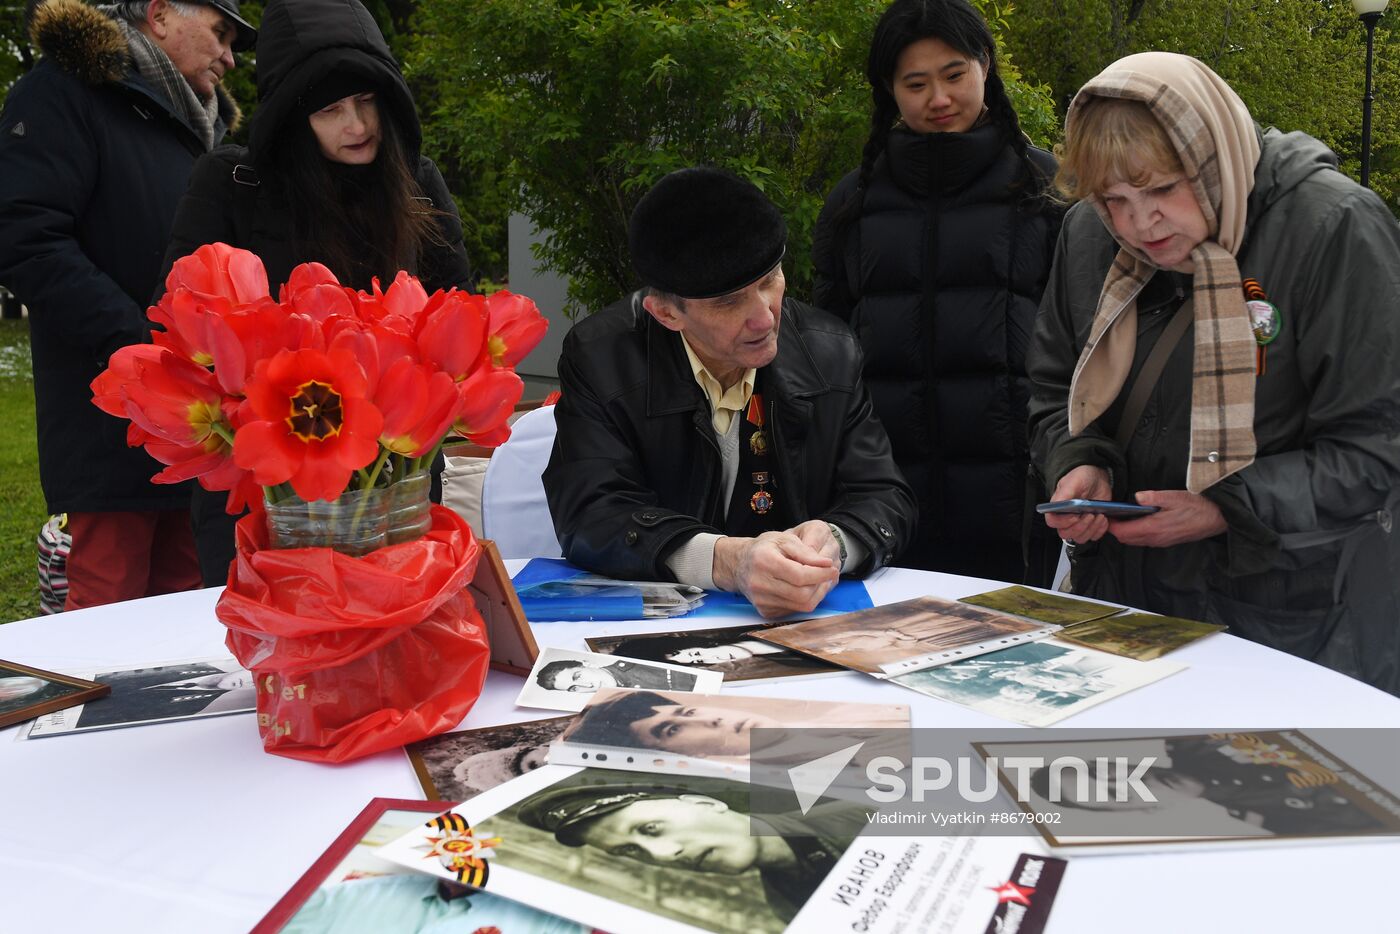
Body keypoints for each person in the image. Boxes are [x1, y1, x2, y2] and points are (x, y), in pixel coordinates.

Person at [1027, 52, 1400, 694]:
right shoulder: (1089, 234)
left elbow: (1378, 448)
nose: (1138, 225)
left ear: (1214, 159)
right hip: (1125, 607)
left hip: (1292, 620)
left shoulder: (1334, 229)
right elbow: (1053, 387)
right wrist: (1077, 462)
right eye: (1112, 198)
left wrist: (1226, 507)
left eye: (1163, 190)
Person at [156, 0, 475, 585]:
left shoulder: (415, 180)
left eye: (367, 100)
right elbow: (182, 326)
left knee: (391, 634)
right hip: (269, 479)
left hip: (392, 470)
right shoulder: (232, 186)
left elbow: (459, 312)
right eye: (330, 110)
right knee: (273, 650)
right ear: (291, 118)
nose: (356, 125)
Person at [544, 166, 916, 619]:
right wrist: (727, 560)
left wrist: (834, 544)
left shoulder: (831, 351)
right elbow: (589, 511)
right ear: (665, 313)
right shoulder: (601, 358)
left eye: (769, 281)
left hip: (806, 623)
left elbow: (884, 496)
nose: (764, 318)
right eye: (728, 302)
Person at [0, 0, 255, 609]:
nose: (228, 58)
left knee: (188, 620)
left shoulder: (201, 129)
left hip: (199, 426)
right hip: (108, 423)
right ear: (162, 13)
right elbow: (23, 235)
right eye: (220, 33)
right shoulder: (63, 93)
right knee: (107, 625)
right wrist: (137, 346)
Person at [811, 0, 1063, 584]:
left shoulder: (1044, 190)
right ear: (890, 91)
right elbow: (826, 353)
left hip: (1019, 494)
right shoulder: (854, 202)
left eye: (954, 75)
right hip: (883, 497)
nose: (939, 98)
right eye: (916, 83)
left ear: (985, 66)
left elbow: (1084, 340)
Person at [517, 780, 866, 923]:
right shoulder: (784, 904)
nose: (664, 856)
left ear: (704, 802)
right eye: (630, 850)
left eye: (650, 829)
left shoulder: (871, 815)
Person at [534, 658, 698, 694]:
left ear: (588, 664)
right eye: (574, 688)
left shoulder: (640, 662)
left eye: (577, 677)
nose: (587, 686)